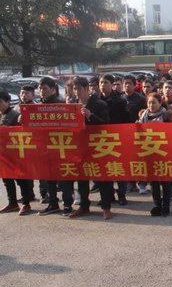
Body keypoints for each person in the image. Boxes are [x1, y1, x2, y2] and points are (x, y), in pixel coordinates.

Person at [67, 77, 115, 220]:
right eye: (74, 89)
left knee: (102, 178)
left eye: (79, 89)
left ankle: (106, 208)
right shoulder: (72, 105)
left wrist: (90, 115)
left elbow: (106, 124)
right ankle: (84, 206)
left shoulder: (100, 103)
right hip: (80, 146)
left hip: (97, 146)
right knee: (82, 178)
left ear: (87, 88)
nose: (77, 92)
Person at [37, 77, 73, 216]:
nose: (41, 91)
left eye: (44, 88)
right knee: (49, 177)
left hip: (61, 146)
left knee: (63, 178)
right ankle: (53, 203)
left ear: (53, 89)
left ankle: (68, 205)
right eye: (40, 89)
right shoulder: (38, 106)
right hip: (46, 148)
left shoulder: (60, 104)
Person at [137, 93, 172, 216]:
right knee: (153, 182)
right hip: (149, 153)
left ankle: (166, 205)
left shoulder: (166, 116)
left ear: (160, 103)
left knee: (165, 181)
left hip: (164, 153)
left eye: (154, 102)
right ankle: (157, 204)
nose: (151, 105)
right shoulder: (143, 116)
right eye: (149, 103)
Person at [0, 90, 35, 216]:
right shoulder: (1, 115)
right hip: (4, 155)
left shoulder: (14, 115)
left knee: (21, 180)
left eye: (0, 102)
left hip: (16, 153)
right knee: (7, 180)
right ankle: (12, 202)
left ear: (7, 102)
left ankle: (26, 204)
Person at [99, 74, 130, 204]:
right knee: (104, 169)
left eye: (105, 82)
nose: (102, 85)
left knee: (119, 168)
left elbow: (126, 120)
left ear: (112, 84)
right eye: (101, 83)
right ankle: (108, 196)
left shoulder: (120, 100)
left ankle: (122, 195)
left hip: (117, 138)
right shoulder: (95, 100)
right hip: (100, 139)